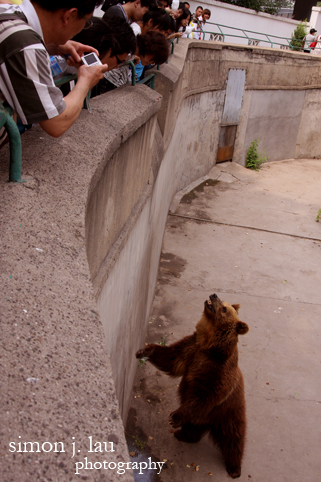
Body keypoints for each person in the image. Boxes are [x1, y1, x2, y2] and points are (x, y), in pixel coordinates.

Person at [0, 0, 108, 138]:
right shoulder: (26, 44)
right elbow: (57, 122)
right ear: (69, 15)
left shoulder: (7, 11)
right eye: (87, 22)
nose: (84, 27)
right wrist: (86, 81)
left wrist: (54, 47)